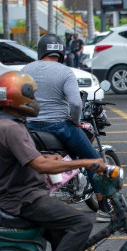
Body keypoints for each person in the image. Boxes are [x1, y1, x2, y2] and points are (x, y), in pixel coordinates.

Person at [0, 71, 106, 251]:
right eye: (30, 95)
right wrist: (84, 162)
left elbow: (30, 158)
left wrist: (48, 156)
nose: (34, 100)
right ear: (16, 97)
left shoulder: (11, 123)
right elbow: (39, 165)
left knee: (62, 231)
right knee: (81, 223)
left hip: (26, 193)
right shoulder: (10, 127)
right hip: (23, 199)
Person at [23, 33, 111, 221]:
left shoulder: (26, 70)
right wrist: (76, 121)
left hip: (29, 127)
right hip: (59, 127)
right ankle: (104, 206)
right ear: (61, 52)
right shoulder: (65, 72)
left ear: (41, 50)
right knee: (94, 161)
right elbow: (76, 104)